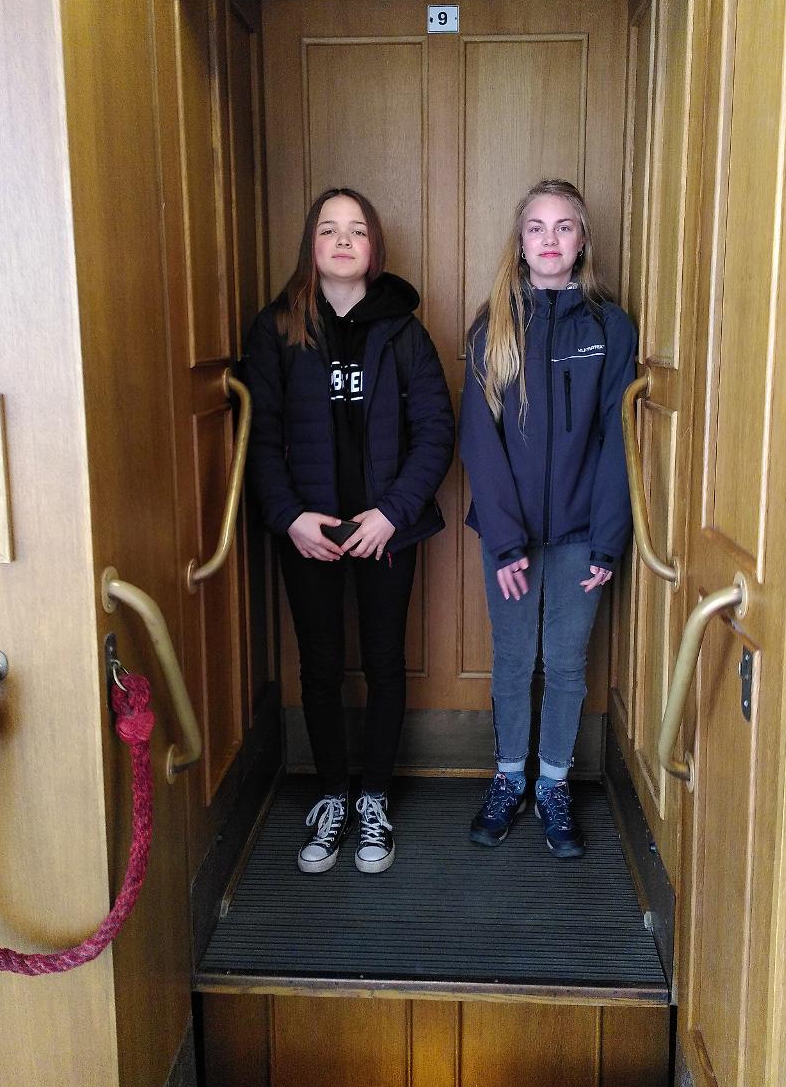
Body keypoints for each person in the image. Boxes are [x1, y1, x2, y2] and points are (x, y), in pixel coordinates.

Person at [244, 188, 454, 875]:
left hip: (384, 529)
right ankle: (333, 794)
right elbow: (259, 437)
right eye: (329, 229)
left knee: (385, 662)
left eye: (356, 230)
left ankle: (374, 799)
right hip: (310, 530)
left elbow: (436, 431)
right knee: (322, 667)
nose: (342, 240)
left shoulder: (404, 330)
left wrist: (393, 512)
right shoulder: (277, 328)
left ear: (373, 247)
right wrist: (289, 517)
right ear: (310, 244)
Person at [459, 178, 636, 858]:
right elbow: (480, 439)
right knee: (513, 659)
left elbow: (619, 439)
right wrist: (505, 543)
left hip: (582, 536)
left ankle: (554, 783)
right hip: (511, 537)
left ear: (582, 240)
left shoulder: (609, 327)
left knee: (564, 661)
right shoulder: (494, 325)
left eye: (565, 227)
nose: (551, 239)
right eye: (537, 227)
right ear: (521, 241)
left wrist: (607, 540)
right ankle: (510, 777)